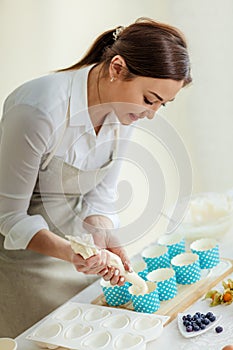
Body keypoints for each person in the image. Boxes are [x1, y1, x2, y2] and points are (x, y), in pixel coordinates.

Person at [0, 17, 192, 337]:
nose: (151, 114)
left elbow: (101, 194)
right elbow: (8, 217)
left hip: (79, 253)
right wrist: (70, 253)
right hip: (24, 261)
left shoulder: (122, 112)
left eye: (162, 104)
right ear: (117, 68)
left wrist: (103, 238)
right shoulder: (39, 110)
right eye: (149, 100)